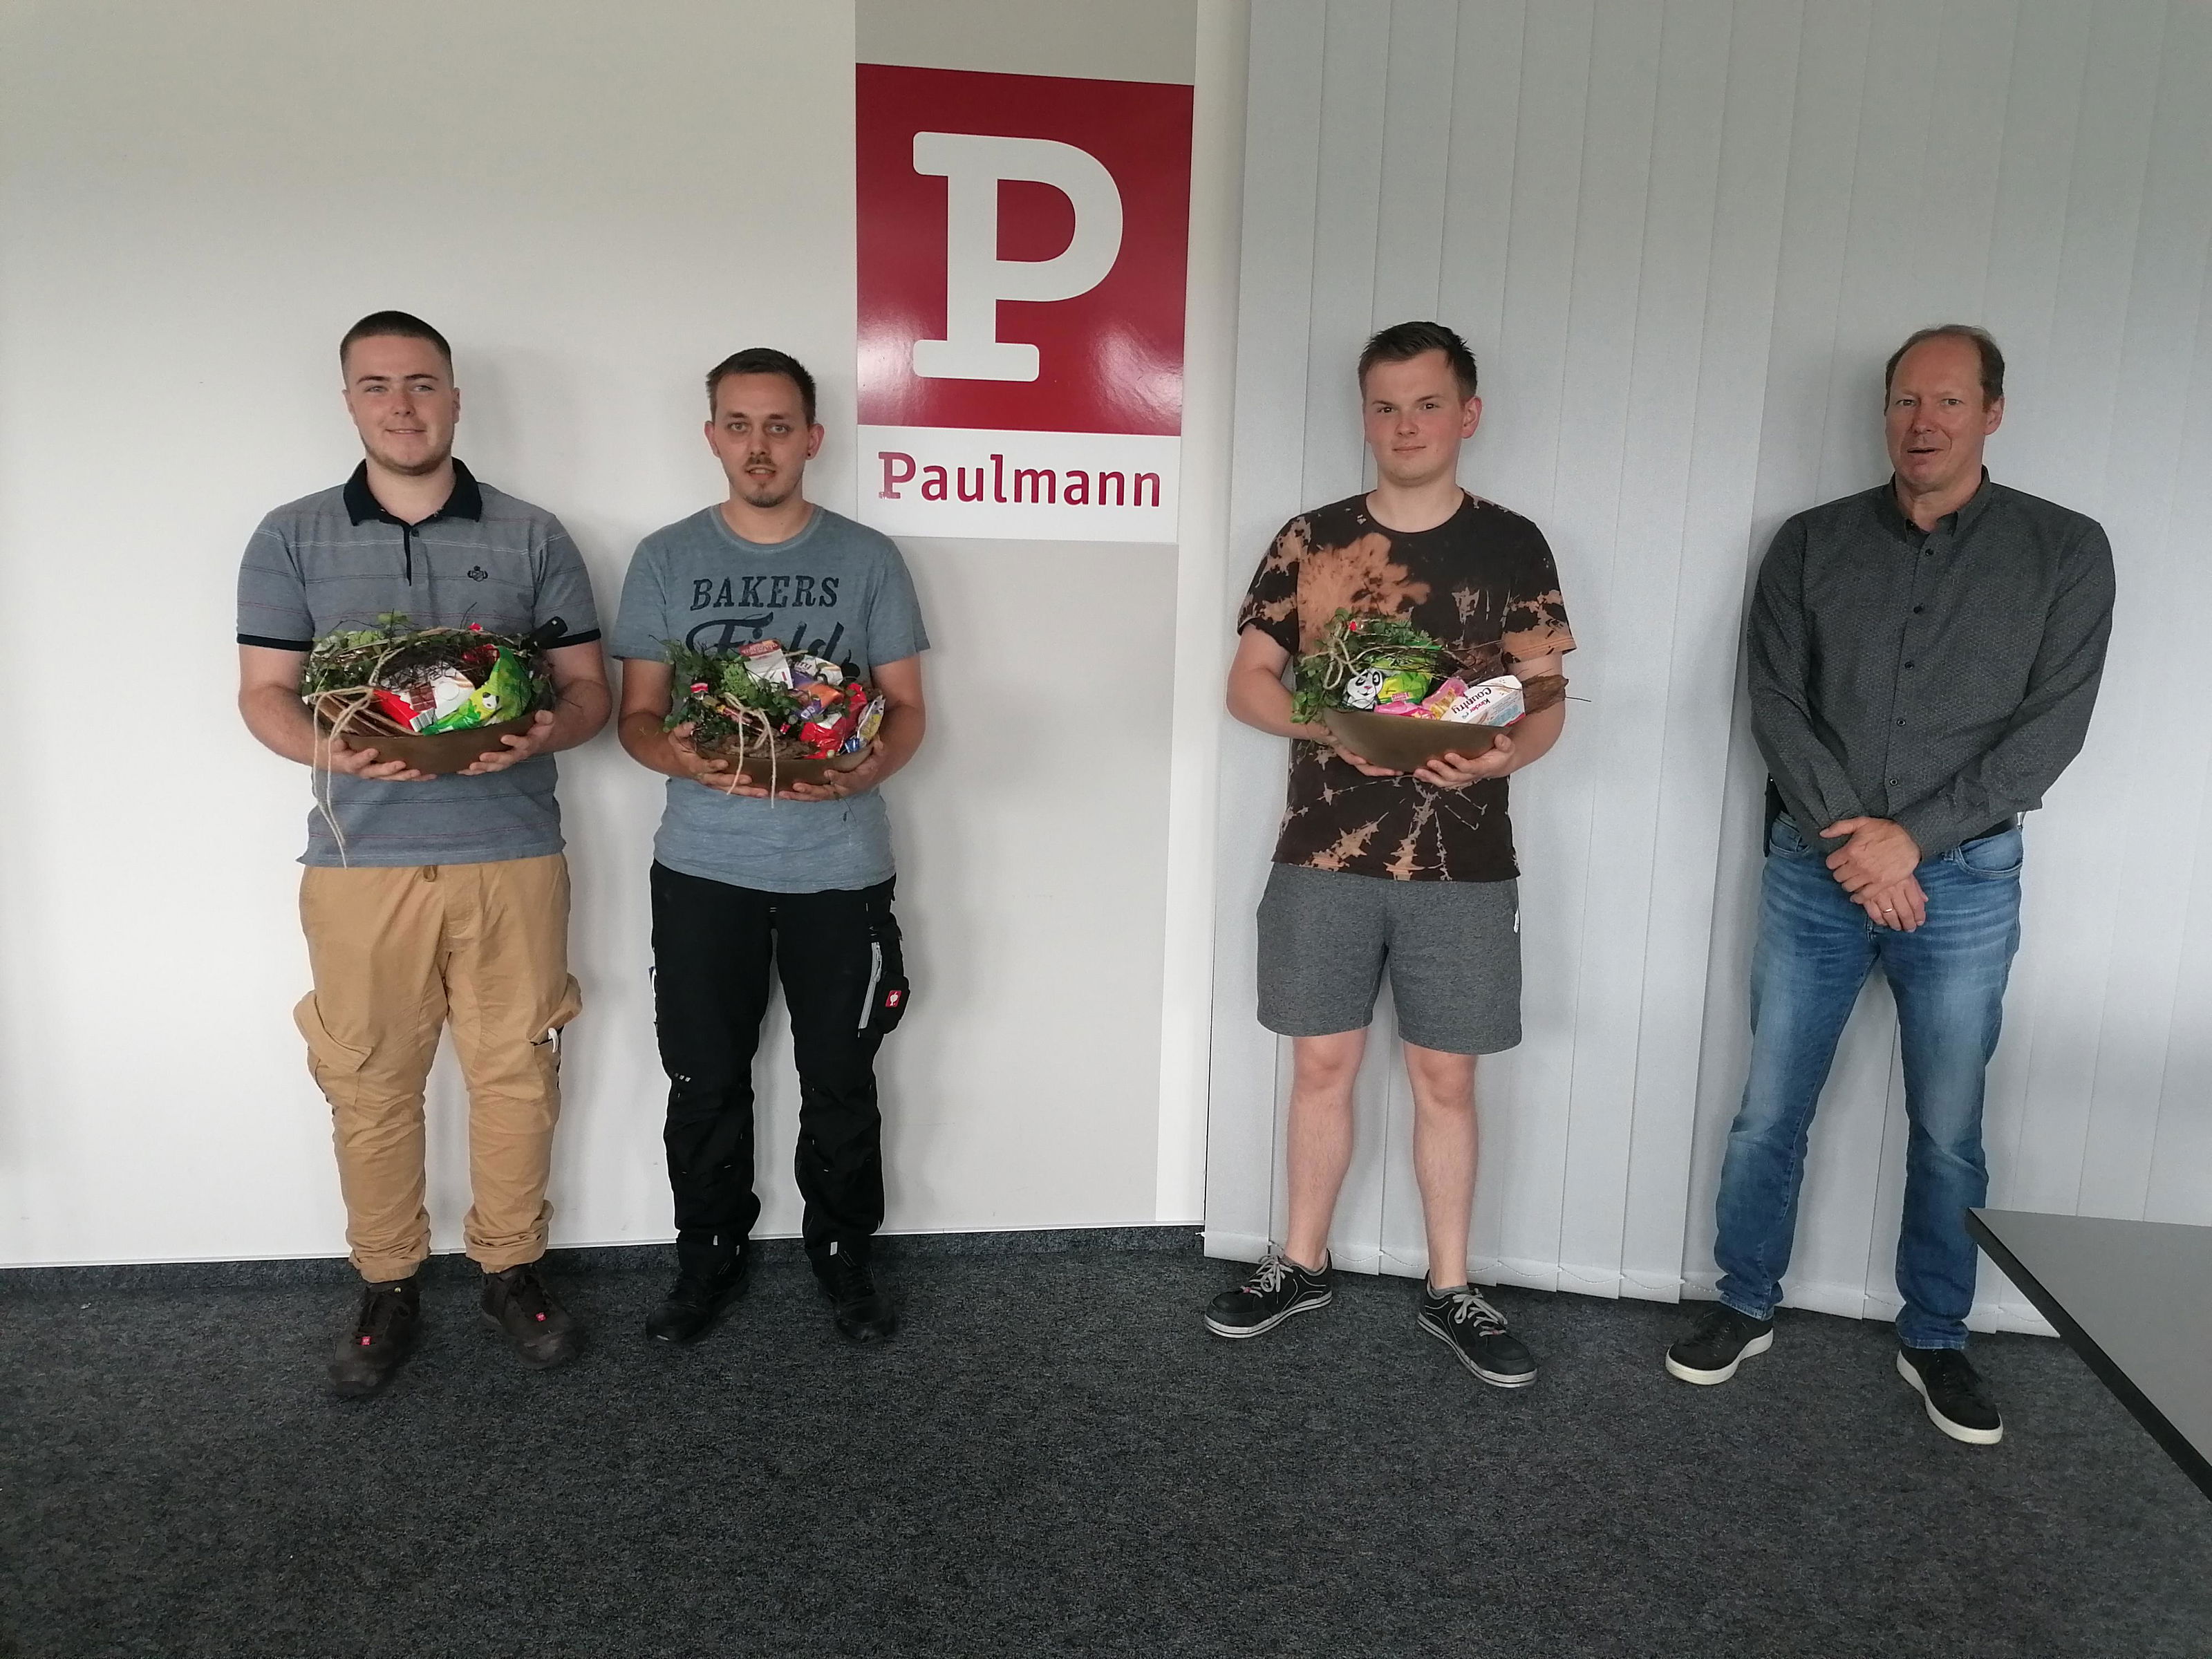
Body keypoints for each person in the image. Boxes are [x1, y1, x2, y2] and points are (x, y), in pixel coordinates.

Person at [1666, 326, 2115, 1446]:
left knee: (1951, 1127)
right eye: (1907, 400)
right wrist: (1850, 844)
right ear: (1887, 412)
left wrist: (1908, 842)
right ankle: (1743, 1301)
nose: (1925, 421)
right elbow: (1776, 702)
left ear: (1992, 414)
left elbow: (2049, 733)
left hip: (1964, 881)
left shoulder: (2066, 551)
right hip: (1813, 875)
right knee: (1772, 1108)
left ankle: (1938, 1337)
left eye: (1950, 401)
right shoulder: (1810, 544)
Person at [236, 311, 611, 1398]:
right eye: (377, 386)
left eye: (422, 384)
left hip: (512, 853)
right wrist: (338, 750)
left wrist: (552, 727)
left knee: (517, 1072)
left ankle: (510, 1265)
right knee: (368, 1078)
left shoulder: (537, 537)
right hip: (361, 862)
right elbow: (262, 696)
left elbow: (586, 690)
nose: (402, 405)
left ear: (455, 397)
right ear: (349, 401)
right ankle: (388, 1279)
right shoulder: (291, 537)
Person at [1203, 321, 1575, 1387]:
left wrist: (1498, 759)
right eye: (1383, 405)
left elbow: (1544, 702)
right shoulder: (1309, 539)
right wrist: (1332, 731)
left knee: (1443, 1077)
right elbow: (1248, 684)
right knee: (1320, 1065)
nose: (1403, 425)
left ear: (1468, 413)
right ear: (1362, 414)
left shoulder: (1513, 544)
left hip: (1463, 860)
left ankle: (1451, 1285)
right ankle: (1302, 1261)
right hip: (1323, 851)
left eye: (1424, 404)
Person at [611, 348, 928, 1347]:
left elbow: (909, 712)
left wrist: (867, 769)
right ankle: (707, 1258)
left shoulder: (870, 558)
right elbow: (636, 718)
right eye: (740, 426)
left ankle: (844, 1259)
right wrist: (687, 761)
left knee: (842, 1077)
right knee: (705, 1075)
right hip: (705, 866)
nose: (760, 446)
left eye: (780, 426)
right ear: (712, 437)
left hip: (841, 866)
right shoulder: (664, 558)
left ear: (813, 440)